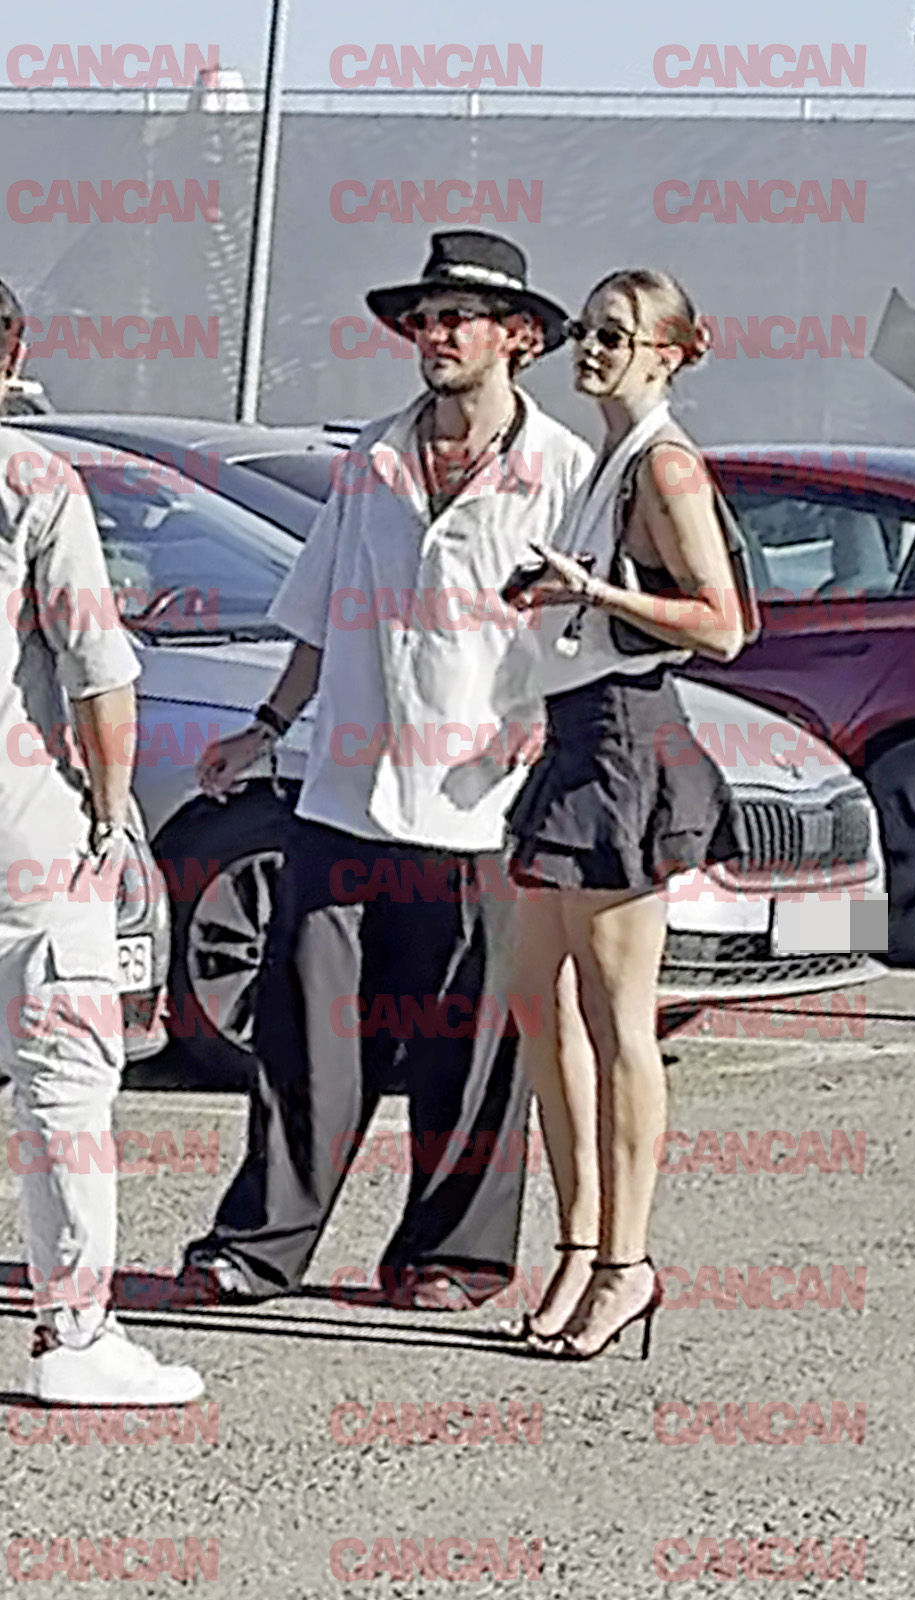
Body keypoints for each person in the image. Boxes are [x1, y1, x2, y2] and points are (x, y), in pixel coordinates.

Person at [181, 232, 593, 1310]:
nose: (434, 334)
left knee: (472, 1049)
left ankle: (452, 1257)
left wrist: (550, 728)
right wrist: (266, 725)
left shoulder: (564, 470)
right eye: (425, 318)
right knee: (306, 1038)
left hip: (482, 805)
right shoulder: (371, 457)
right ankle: (258, 1246)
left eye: (458, 317)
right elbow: (320, 612)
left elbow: (586, 632)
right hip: (346, 797)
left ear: (519, 337)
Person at [505, 269, 749, 1360]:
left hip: (623, 743)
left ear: (669, 351)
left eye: (615, 334)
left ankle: (627, 1263)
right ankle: (578, 1242)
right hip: (571, 737)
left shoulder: (665, 462)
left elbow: (722, 625)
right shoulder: (605, 459)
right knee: (538, 1001)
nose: (591, 349)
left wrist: (596, 595)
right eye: (585, 331)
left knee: (618, 1024)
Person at [0, 278, 203, 1403]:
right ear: (13, 357)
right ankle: (73, 1332)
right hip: (27, 832)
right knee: (65, 1078)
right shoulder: (34, 481)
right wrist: (112, 810)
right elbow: (96, 673)